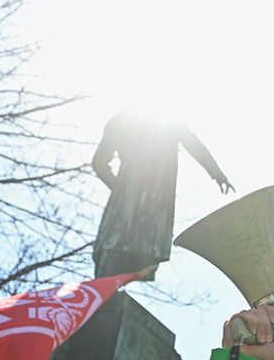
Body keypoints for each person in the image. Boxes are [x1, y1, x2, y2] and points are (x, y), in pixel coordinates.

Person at [92, 109, 234, 280]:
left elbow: (99, 163)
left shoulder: (126, 119)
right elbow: (194, 145)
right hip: (152, 203)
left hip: (140, 202)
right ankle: (106, 295)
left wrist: (121, 192)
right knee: (120, 251)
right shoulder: (156, 119)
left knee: (120, 252)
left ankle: (106, 294)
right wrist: (122, 192)